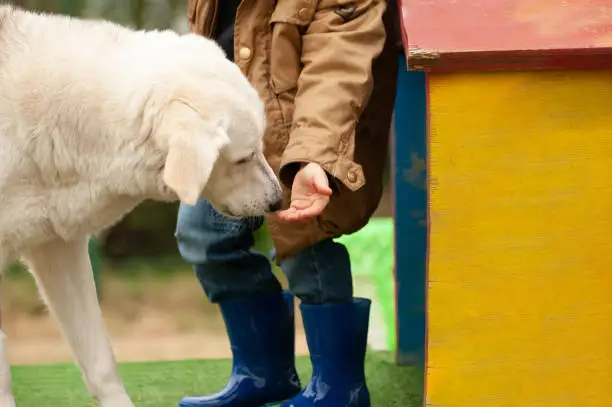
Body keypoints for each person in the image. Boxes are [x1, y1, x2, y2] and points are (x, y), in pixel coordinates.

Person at [175, 1, 400, 406]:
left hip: (303, 133)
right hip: (228, 130)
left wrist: (313, 155)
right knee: (203, 235)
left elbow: (338, 65)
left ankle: (339, 387)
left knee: (304, 242)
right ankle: (263, 373)